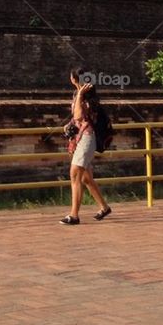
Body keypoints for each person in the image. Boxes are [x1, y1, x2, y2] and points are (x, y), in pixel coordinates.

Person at [60, 70, 112, 225]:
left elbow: (78, 116)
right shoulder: (78, 94)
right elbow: (76, 120)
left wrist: (80, 94)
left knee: (75, 173)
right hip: (80, 138)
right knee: (85, 178)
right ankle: (104, 207)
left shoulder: (87, 98)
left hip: (87, 139)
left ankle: (74, 215)